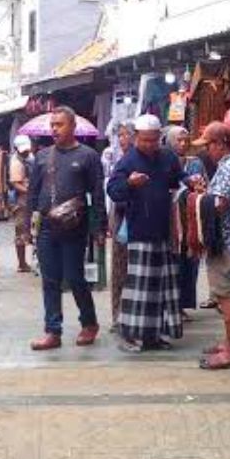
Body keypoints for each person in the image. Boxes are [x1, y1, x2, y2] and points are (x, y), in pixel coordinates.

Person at [26, 106, 105, 350]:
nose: (55, 129)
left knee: (74, 277)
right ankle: (53, 331)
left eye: (59, 124)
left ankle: (89, 323)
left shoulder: (88, 156)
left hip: (74, 227)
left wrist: (98, 227)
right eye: (53, 125)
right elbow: (33, 193)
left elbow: (97, 193)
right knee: (49, 279)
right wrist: (30, 226)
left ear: (72, 127)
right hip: (47, 228)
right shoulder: (42, 156)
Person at [108, 114, 186, 352]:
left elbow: (177, 179)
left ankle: (153, 336)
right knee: (139, 288)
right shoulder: (128, 161)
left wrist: (189, 181)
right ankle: (132, 335)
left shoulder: (168, 157)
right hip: (140, 232)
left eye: (154, 140)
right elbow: (113, 189)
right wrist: (130, 184)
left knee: (160, 288)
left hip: (164, 231)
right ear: (136, 138)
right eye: (145, 140)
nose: (150, 145)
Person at [196, 121, 230, 370]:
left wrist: (197, 200)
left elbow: (219, 204)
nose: (207, 150)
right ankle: (229, 343)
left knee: (226, 295)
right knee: (223, 294)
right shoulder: (228, 166)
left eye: (208, 145)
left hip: (226, 240)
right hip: (225, 239)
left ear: (219, 144)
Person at [165, 125, 206, 319]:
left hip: (190, 221)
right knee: (172, 263)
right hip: (170, 222)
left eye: (186, 140)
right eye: (178, 140)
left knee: (189, 263)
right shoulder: (163, 161)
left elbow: (203, 187)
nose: (183, 144)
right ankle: (170, 305)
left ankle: (182, 304)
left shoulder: (196, 163)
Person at [102, 120, 135, 329]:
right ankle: (118, 316)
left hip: (137, 221)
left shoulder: (138, 160)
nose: (123, 139)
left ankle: (131, 315)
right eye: (121, 135)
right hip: (120, 220)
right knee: (119, 270)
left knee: (134, 270)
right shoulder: (118, 160)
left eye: (127, 135)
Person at [9, 134, 34, 273]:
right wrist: (29, 191)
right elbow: (15, 183)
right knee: (20, 230)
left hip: (29, 198)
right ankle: (22, 263)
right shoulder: (16, 162)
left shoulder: (30, 158)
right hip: (20, 200)